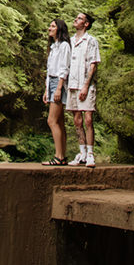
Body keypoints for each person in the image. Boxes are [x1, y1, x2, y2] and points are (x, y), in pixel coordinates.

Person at [66, 11, 101, 168]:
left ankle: (91, 154)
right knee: (77, 120)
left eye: (79, 18)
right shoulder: (70, 41)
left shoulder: (91, 41)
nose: (75, 19)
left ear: (86, 24)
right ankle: (82, 153)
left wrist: (86, 86)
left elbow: (93, 64)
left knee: (88, 119)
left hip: (86, 84)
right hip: (72, 84)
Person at [41, 18, 71, 166]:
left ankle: (59, 156)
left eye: (52, 26)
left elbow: (64, 68)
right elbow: (49, 71)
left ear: (59, 29)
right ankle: (62, 156)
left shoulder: (65, 46)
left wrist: (58, 88)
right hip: (52, 83)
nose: (49, 28)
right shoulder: (54, 47)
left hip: (60, 83)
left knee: (51, 120)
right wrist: (47, 90)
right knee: (59, 121)